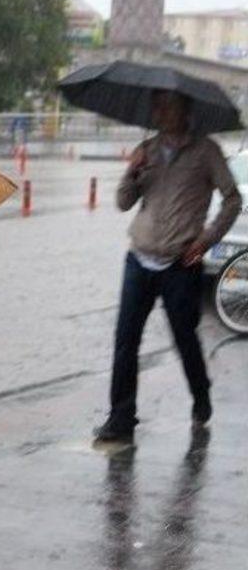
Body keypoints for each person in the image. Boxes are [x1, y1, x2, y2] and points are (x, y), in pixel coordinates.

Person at [94, 90, 242, 445]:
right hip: (139, 258)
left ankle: (200, 393)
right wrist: (132, 172)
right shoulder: (147, 149)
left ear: (185, 110)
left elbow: (232, 199)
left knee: (184, 338)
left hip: (180, 264)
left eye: (167, 106)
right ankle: (121, 418)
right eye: (156, 106)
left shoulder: (206, 151)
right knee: (125, 341)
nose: (159, 112)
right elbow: (122, 202)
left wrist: (206, 240)